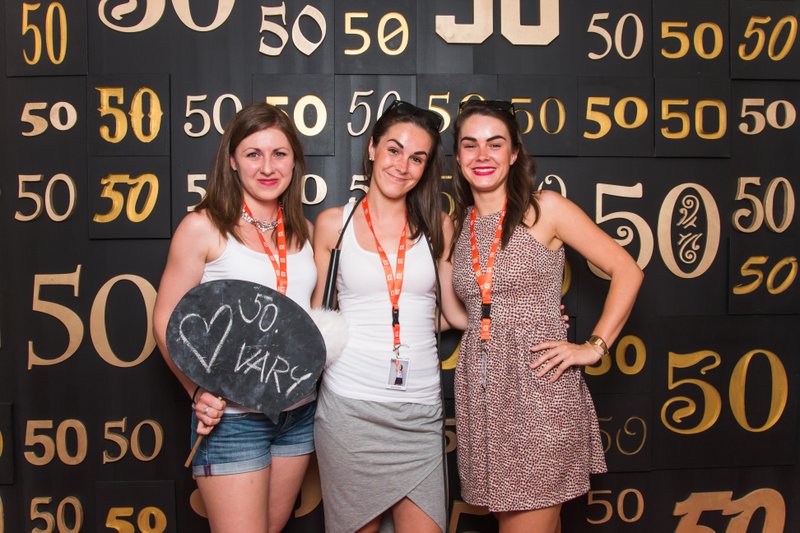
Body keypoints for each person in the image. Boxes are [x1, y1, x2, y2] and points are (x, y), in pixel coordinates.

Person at [447, 100, 644, 533]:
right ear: (458, 157)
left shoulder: (545, 209)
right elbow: (461, 314)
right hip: (483, 397)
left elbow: (627, 270)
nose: (482, 155)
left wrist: (593, 347)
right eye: (470, 145)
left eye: (495, 144)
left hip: (538, 393)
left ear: (514, 153)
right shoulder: (457, 226)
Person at [153, 103, 317, 533]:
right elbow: (166, 317)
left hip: (298, 414)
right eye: (253, 154)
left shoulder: (304, 230)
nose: (267, 167)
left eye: (279, 154)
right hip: (232, 417)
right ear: (232, 160)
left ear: (294, 161)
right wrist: (195, 391)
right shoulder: (204, 227)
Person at [311, 100, 456, 533]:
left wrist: (527, 314)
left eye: (417, 158)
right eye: (394, 150)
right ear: (372, 148)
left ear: (426, 167)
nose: (402, 165)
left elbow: (451, 313)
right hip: (350, 409)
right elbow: (318, 319)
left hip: (420, 412)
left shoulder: (439, 226)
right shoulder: (333, 224)